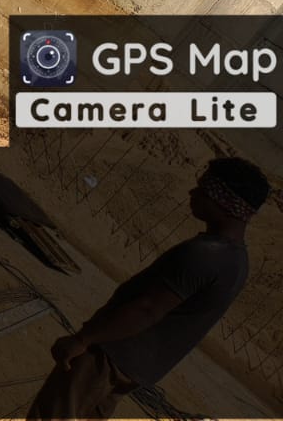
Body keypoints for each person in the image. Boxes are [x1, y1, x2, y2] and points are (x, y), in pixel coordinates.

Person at [28, 159, 270, 420]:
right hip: (131, 368)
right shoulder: (237, 261)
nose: (193, 193)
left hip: (109, 354)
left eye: (204, 190)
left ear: (225, 202)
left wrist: (83, 340)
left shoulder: (205, 255)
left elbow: (147, 309)